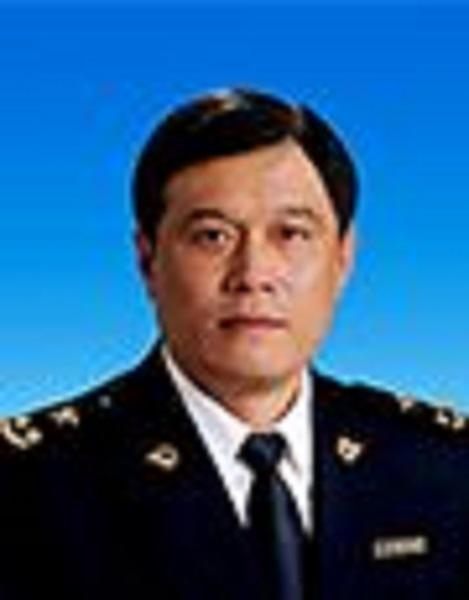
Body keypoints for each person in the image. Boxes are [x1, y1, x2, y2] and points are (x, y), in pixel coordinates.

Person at [2, 88, 469, 600]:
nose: (253, 275)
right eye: (213, 236)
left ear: (343, 257)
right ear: (148, 260)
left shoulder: (441, 467)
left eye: (291, 234)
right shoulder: (30, 484)